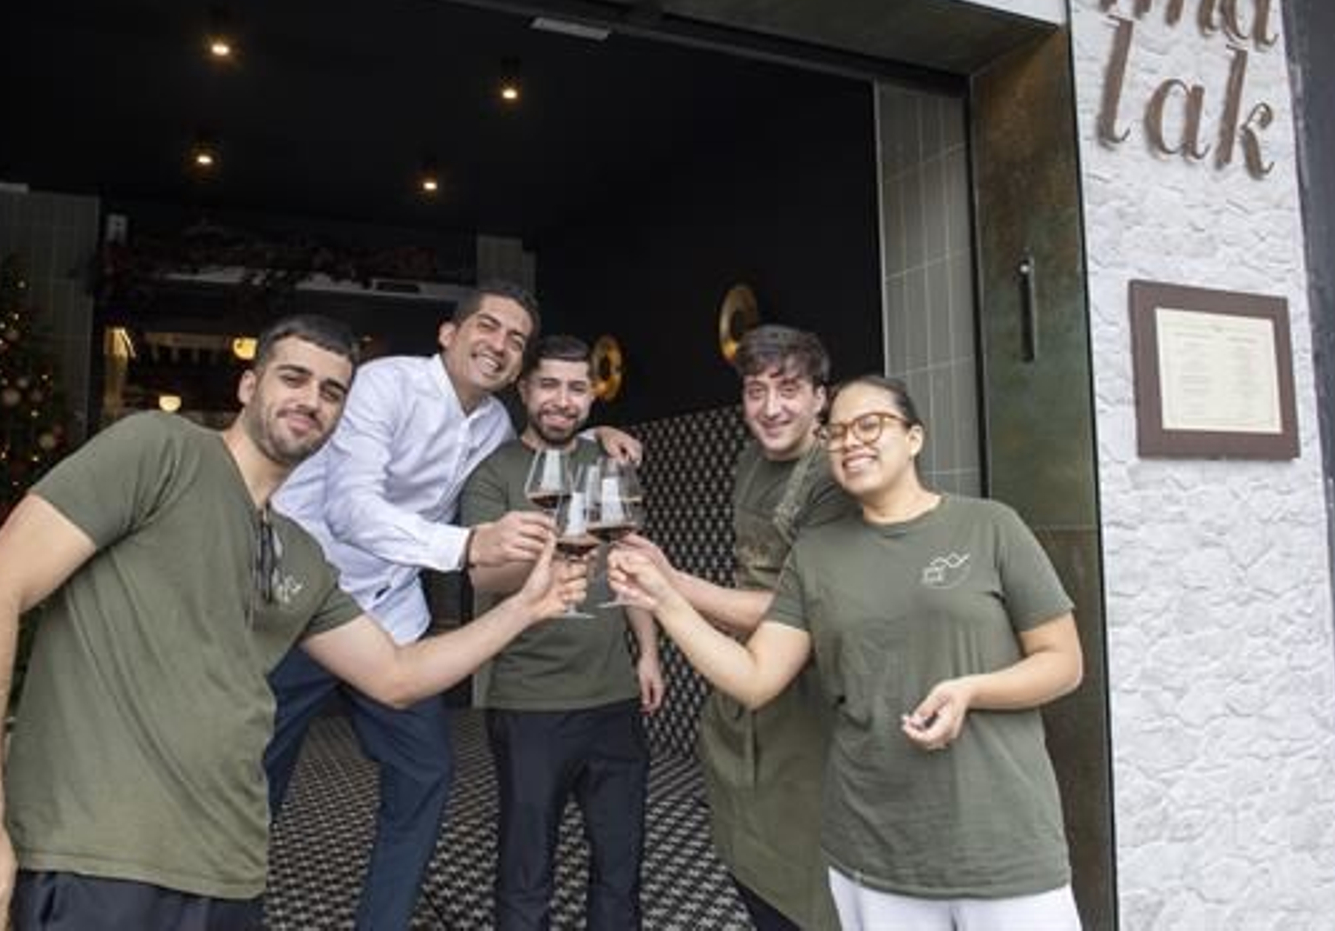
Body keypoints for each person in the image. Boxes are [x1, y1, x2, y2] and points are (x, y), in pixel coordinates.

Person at [0, 314, 587, 931]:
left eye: (332, 391)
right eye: (293, 377)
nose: (312, 400)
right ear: (249, 383)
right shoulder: (161, 450)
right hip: (98, 862)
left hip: (231, 877)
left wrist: (528, 606)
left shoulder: (299, 553)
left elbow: (396, 675)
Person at [611, 375, 1084, 931]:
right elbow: (755, 676)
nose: (850, 442)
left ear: (914, 438)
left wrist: (972, 689)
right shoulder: (816, 556)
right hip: (872, 846)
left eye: (870, 425)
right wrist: (665, 599)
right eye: (835, 434)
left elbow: (1063, 662)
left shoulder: (988, 526)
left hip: (1002, 839)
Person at [264, 282, 640, 931]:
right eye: (488, 327)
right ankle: (216, 911)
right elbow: (349, 510)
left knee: (426, 770)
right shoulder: (385, 385)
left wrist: (593, 431)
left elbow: (546, 440)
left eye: (515, 339)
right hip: (300, 600)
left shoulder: (494, 423)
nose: (499, 344)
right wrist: (467, 544)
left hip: (389, 614)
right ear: (448, 333)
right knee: (252, 778)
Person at [620, 324, 850, 931]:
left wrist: (672, 585)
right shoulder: (750, 458)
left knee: (807, 863)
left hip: (813, 692)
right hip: (745, 682)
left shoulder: (834, 476)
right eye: (755, 391)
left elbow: (803, 606)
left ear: (821, 397)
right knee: (741, 841)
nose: (770, 408)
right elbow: (755, 585)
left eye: (789, 389)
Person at [459, 333, 665, 930]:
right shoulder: (493, 472)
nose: (562, 400)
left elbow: (629, 566)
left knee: (621, 865)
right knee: (527, 870)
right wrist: (563, 549)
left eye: (577, 388)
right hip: (530, 704)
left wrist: (647, 653)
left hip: (614, 700)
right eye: (548, 384)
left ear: (592, 400)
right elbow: (483, 576)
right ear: (524, 389)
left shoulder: (607, 463)